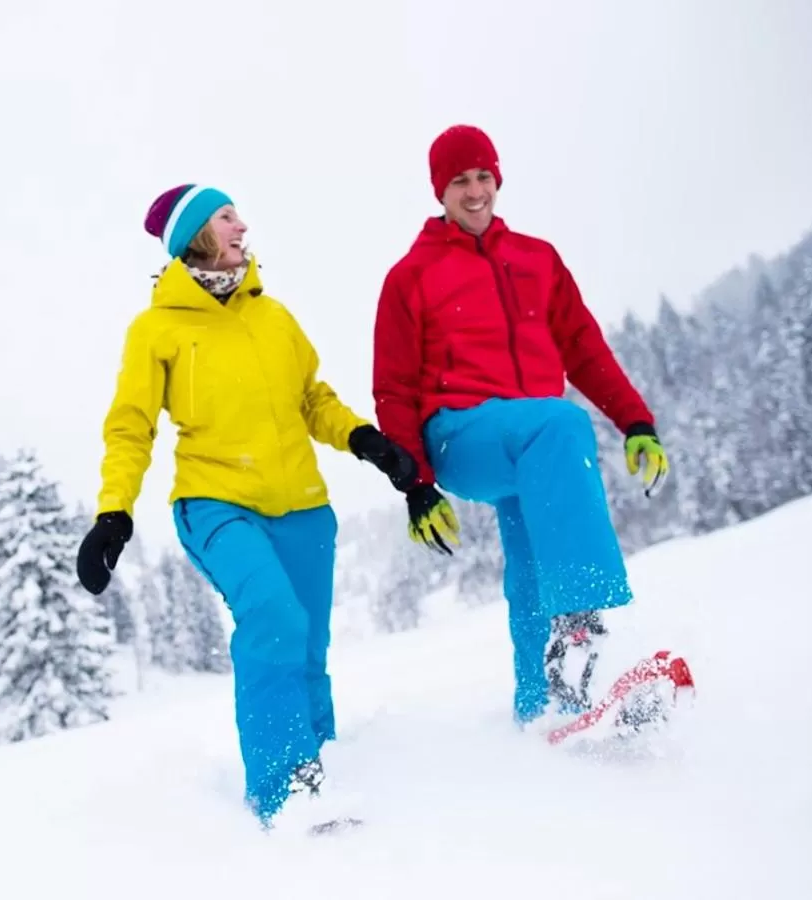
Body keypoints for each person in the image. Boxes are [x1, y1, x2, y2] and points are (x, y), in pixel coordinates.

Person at [76, 184, 417, 829]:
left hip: (304, 508)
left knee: (308, 646)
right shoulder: (159, 330)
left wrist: (366, 441)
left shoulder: (275, 317)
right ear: (195, 234)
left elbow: (312, 398)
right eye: (226, 216)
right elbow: (130, 426)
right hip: (216, 502)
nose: (242, 225)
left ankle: (323, 773)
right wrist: (112, 513)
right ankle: (284, 788)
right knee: (272, 618)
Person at [370, 125, 673, 729]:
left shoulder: (536, 258)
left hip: (532, 444)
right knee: (560, 422)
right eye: (460, 181)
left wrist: (636, 420)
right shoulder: (412, 276)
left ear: (498, 178)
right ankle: (587, 635)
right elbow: (394, 390)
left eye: (484, 176)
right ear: (440, 191)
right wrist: (417, 486)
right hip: (460, 436)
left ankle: (546, 704)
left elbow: (583, 346)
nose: (475, 190)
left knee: (536, 554)